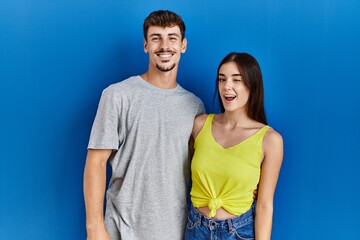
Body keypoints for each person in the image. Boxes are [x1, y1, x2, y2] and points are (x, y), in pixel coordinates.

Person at [83, 10, 204, 240]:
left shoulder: (194, 106)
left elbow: (202, 166)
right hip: (120, 229)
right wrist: (95, 228)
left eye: (172, 38)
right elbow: (96, 161)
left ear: (183, 45)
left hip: (174, 231)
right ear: (146, 45)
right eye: (156, 38)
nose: (165, 45)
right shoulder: (117, 95)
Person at [184, 52, 283, 240]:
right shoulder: (199, 125)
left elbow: (264, 205)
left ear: (252, 85)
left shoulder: (270, 140)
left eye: (236, 80)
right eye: (222, 79)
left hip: (238, 232)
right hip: (195, 228)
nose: (227, 87)